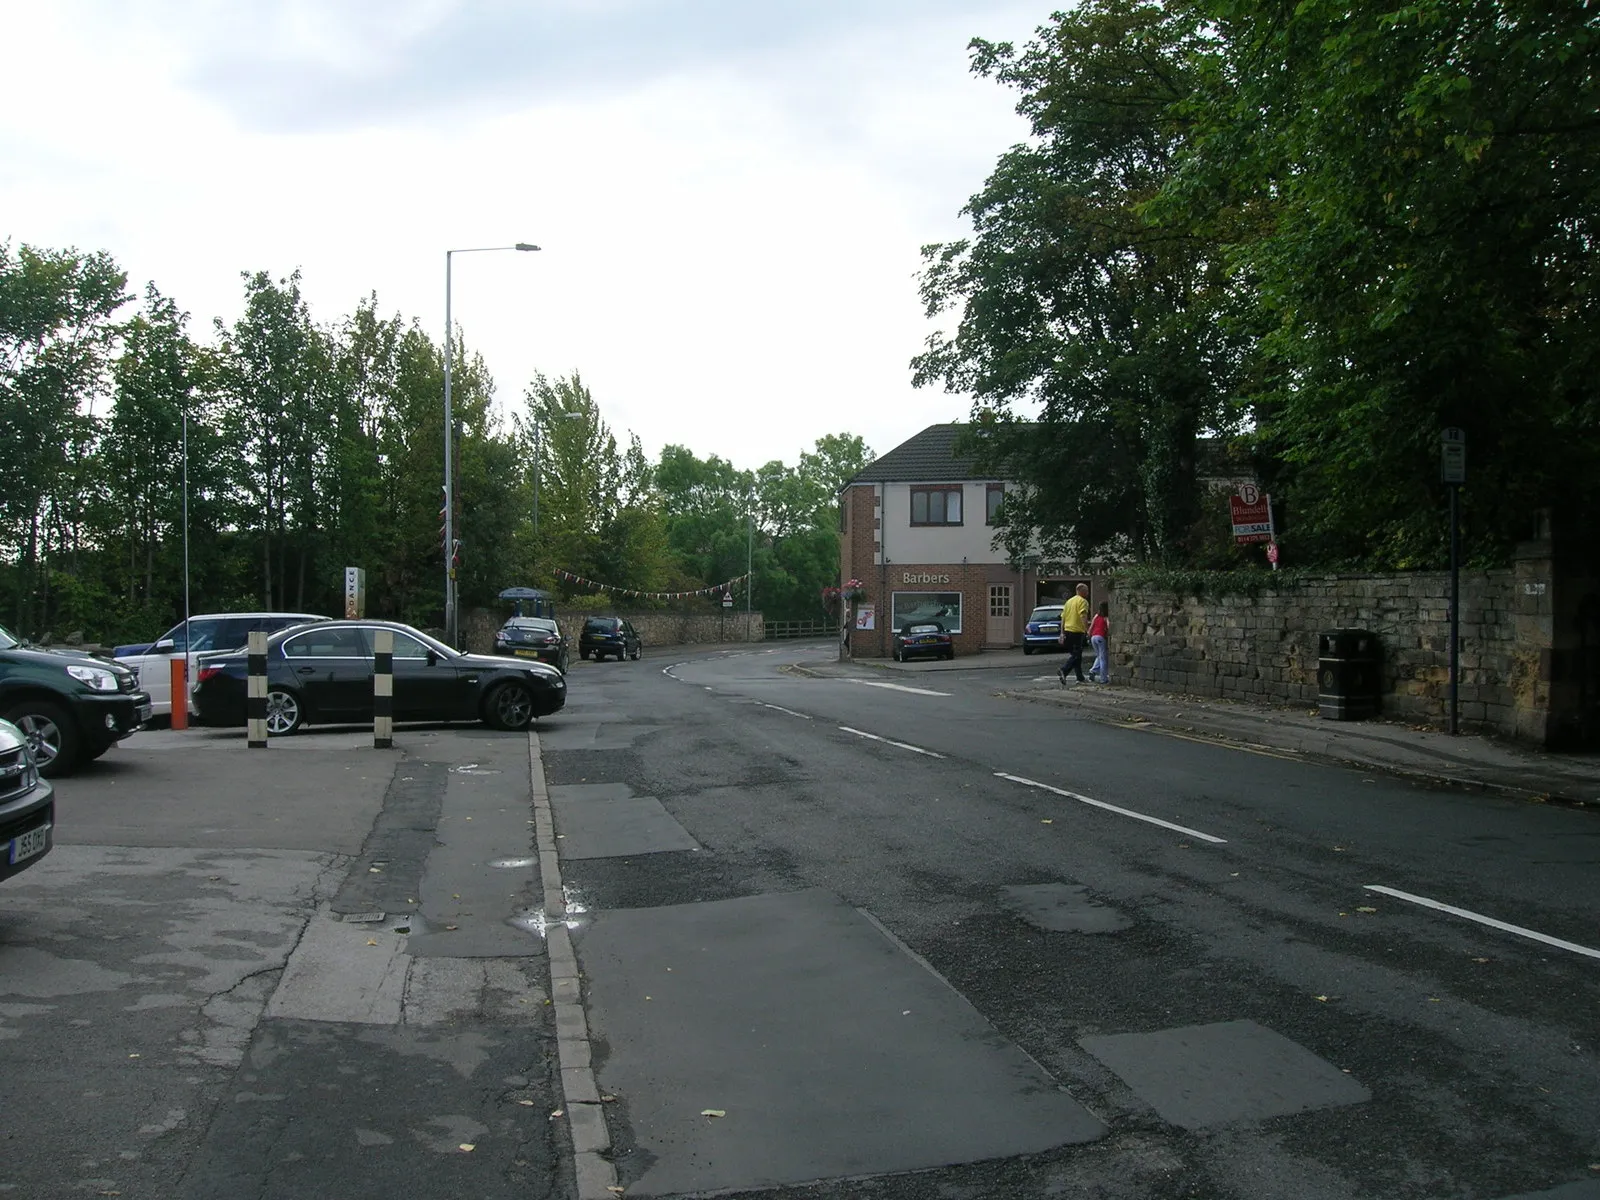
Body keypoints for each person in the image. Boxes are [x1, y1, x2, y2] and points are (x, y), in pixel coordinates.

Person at [1057, 583, 1090, 684]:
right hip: (1077, 632)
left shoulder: (1069, 602)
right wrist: (1087, 630)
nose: (1088, 593)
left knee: (1076, 656)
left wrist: (1062, 632)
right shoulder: (1083, 601)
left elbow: (1063, 618)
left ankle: (1080, 678)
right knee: (1076, 655)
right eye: (1087, 591)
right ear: (1081, 591)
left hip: (1067, 631)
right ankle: (1064, 669)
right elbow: (1083, 616)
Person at [1088, 601, 1110, 683]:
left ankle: (1092, 671)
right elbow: (1109, 627)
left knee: (1099, 656)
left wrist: (1089, 635)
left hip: (1093, 637)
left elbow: (1091, 628)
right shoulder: (1106, 617)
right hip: (1100, 637)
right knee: (1103, 658)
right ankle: (1103, 678)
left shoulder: (1096, 616)